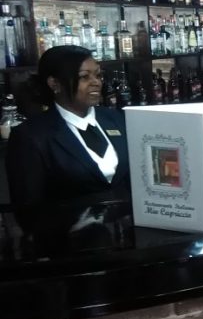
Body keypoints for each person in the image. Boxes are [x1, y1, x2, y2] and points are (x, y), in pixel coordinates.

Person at [6, 45, 130, 237]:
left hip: (127, 238)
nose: (96, 82)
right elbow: (29, 212)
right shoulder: (31, 136)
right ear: (55, 84)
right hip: (70, 246)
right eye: (84, 77)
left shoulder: (116, 119)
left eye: (98, 75)